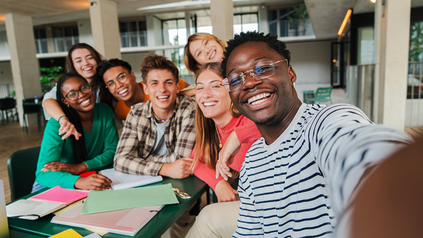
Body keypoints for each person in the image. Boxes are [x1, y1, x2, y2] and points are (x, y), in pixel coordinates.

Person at [217, 32, 412, 237]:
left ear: (290, 74)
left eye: (263, 68)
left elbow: (362, 149)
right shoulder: (252, 161)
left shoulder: (324, 122)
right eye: (236, 78)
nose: (248, 83)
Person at [185, 62, 261, 238]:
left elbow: (271, 123)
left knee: (207, 219)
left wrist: (237, 136)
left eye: (215, 86)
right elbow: (194, 162)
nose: (206, 94)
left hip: (272, 208)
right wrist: (218, 183)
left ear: (232, 90)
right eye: (200, 88)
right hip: (246, 205)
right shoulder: (212, 130)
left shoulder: (250, 119)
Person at [114, 54, 196, 178]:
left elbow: (181, 159)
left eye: (168, 83)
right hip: (145, 181)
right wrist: (164, 168)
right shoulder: (136, 113)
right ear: (146, 89)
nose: (162, 89)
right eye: (154, 83)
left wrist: (139, 160)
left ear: (177, 87)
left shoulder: (189, 109)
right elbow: (120, 161)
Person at [34, 73, 119, 191]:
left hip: (91, 176)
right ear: (65, 101)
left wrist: (81, 167)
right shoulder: (56, 124)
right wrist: (79, 181)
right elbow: (43, 174)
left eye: (84, 87)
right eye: (72, 94)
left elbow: (112, 151)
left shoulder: (104, 111)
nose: (82, 95)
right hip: (59, 182)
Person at [42, 43, 119, 141]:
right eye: (78, 60)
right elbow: (48, 101)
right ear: (73, 66)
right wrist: (63, 119)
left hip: (101, 140)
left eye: (90, 57)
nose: (86, 63)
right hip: (75, 139)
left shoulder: (107, 83)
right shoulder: (65, 86)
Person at [96, 58, 194, 121]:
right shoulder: (120, 110)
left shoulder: (161, 83)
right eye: (111, 83)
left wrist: (182, 94)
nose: (118, 85)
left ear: (133, 76)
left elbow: (194, 90)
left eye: (121, 77)